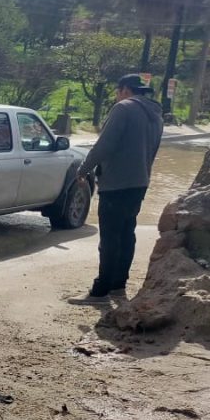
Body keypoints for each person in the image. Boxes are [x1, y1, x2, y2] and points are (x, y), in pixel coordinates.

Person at [68, 73, 164, 306]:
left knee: (109, 238)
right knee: (126, 234)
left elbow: (104, 145)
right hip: (140, 182)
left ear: (124, 90)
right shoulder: (156, 115)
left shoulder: (123, 108)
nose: (116, 95)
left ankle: (100, 292)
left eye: (117, 91)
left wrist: (83, 170)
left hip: (116, 183)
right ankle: (118, 287)